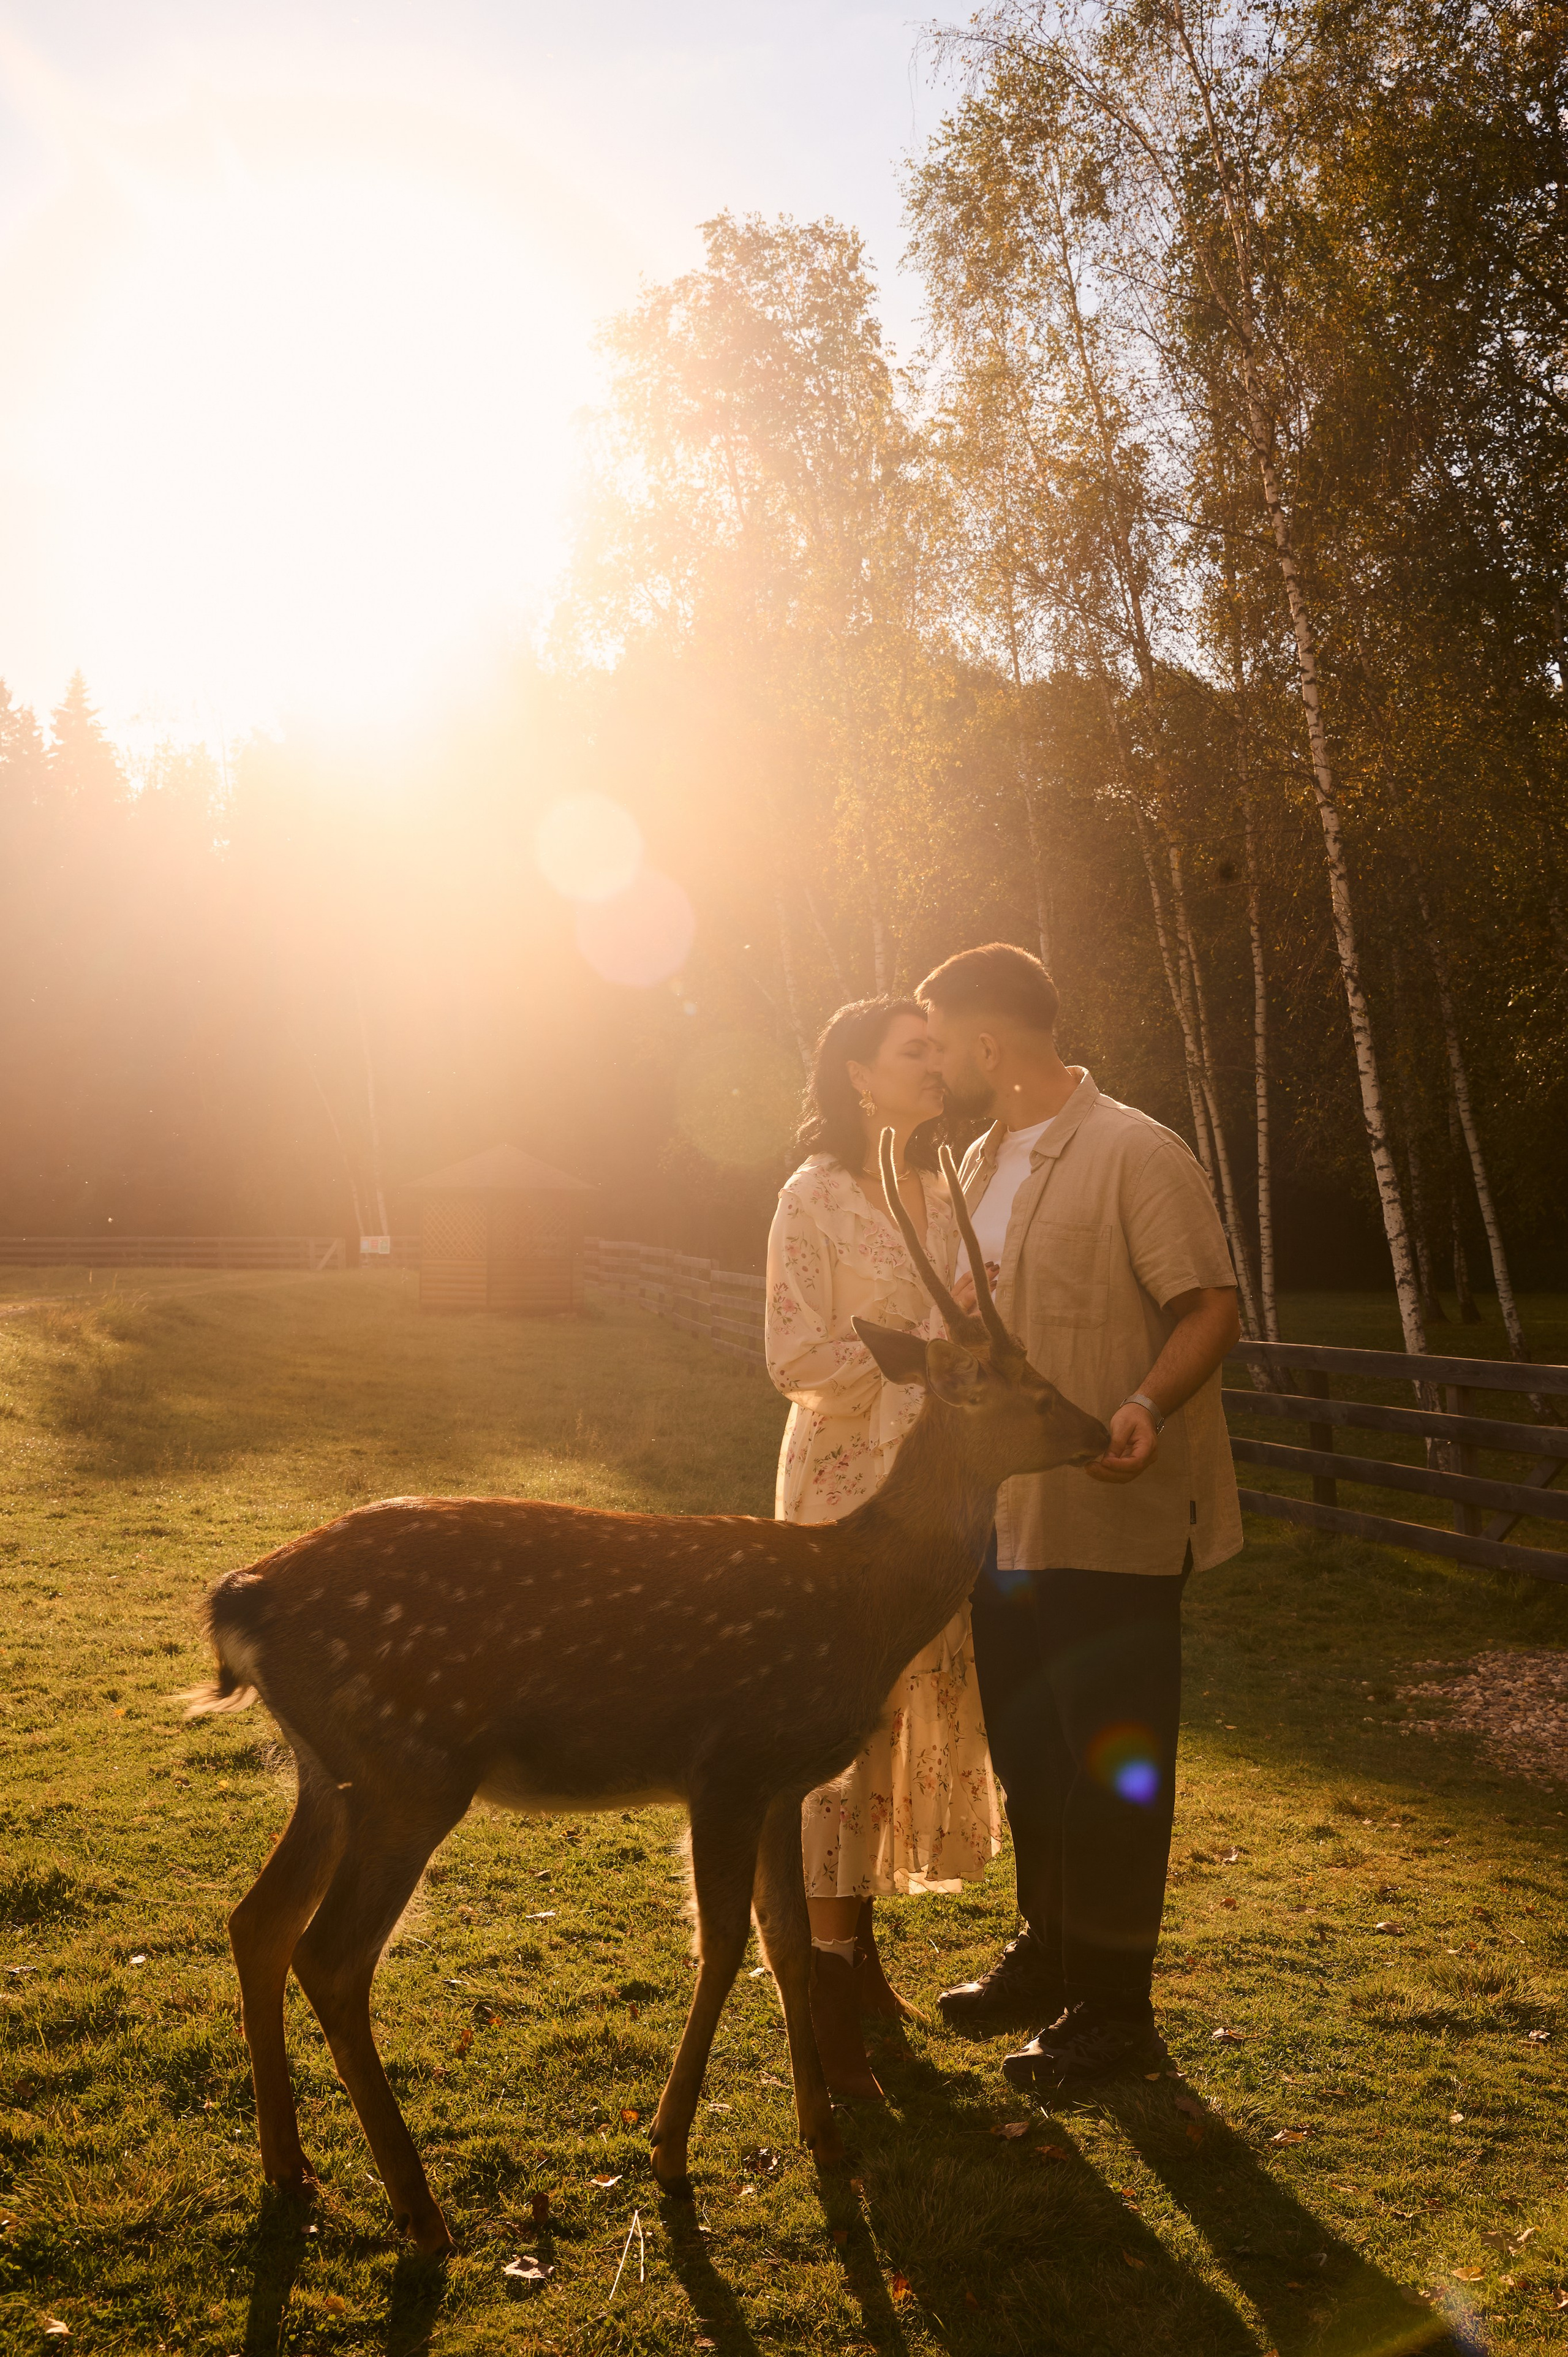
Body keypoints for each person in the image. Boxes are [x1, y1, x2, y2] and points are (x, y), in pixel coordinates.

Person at [917, 941, 1242, 2094]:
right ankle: (1049, 1954)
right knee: (1033, 1753)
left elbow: (1210, 1305)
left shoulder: (1133, 1152)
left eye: (947, 1042)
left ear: (990, 1043)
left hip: (1108, 1518)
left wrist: (1146, 1401)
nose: (941, 1062)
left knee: (1114, 1763)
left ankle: (1115, 2012)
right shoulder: (977, 1161)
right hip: (1004, 1524)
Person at [764, 995, 1002, 2101]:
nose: (937, 1068)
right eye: (916, 1054)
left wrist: (968, 1328)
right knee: (831, 1733)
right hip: (845, 1488)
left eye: (939, 1053)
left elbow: (967, 1345)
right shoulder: (811, 1197)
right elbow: (793, 1353)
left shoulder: (945, 1191)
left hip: (933, 1498)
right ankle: (820, 1989)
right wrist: (915, 1356)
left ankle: (861, 1969)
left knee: (899, 1714)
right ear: (858, 1075)